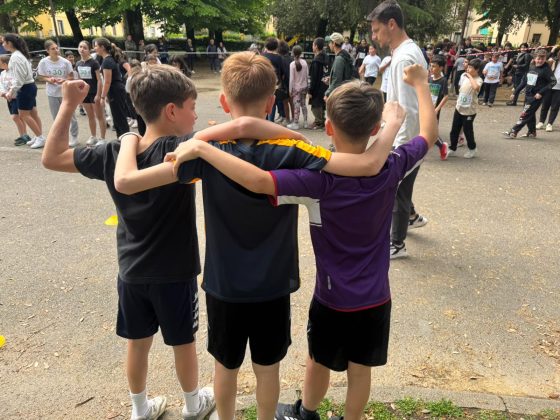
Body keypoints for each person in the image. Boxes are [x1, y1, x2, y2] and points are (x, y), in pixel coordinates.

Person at [114, 52, 404, 420]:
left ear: (224, 102)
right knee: (268, 370)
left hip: (224, 284)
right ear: (271, 102)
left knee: (225, 367)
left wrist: (134, 139)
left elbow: (129, 182)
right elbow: (363, 164)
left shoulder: (205, 152)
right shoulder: (293, 151)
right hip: (273, 283)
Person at [42, 64, 313, 420]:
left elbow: (59, 160)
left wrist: (75, 109)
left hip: (162, 276)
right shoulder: (195, 149)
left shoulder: (139, 152)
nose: (196, 115)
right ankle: (196, 404)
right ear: (172, 110)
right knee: (220, 354)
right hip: (214, 276)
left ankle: (145, 408)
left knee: (166, 351)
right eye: (192, 107)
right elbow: (247, 132)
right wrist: (286, 135)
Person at [369, 0, 428, 259]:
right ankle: (411, 217)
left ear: (391, 24)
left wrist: (399, 151)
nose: (374, 36)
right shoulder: (405, 52)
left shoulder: (404, 56)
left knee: (395, 191)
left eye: (376, 30)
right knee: (403, 189)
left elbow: (408, 109)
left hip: (405, 140)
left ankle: (397, 243)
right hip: (409, 138)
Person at [2, 33, 44, 147]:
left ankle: (40, 137)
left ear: (9, 43)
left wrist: (11, 91)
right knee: (33, 113)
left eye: (4, 42)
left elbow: (19, 79)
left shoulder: (15, 57)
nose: (3, 44)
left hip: (25, 88)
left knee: (23, 115)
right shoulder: (19, 54)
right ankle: (38, 136)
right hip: (29, 86)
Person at [503, 49, 556, 139]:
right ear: (534, 58)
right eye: (538, 58)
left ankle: (514, 131)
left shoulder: (546, 69)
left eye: (542, 59)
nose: (540, 61)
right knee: (530, 113)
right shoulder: (531, 66)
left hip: (536, 97)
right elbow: (524, 81)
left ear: (545, 59)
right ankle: (532, 132)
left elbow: (553, 82)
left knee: (525, 113)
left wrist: (540, 92)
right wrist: (515, 93)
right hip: (528, 95)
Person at [38, 40, 79, 148]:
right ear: (47, 51)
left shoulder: (65, 62)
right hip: (52, 93)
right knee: (56, 117)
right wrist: (49, 79)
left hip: (65, 92)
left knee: (71, 115)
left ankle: (74, 136)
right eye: (53, 49)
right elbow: (41, 77)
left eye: (57, 48)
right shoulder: (43, 62)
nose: (56, 50)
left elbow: (71, 77)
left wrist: (64, 80)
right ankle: (60, 137)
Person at [94, 37, 130, 139]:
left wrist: (102, 97)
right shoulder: (107, 59)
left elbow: (107, 81)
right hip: (115, 90)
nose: (94, 48)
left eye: (96, 46)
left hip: (115, 90)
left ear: (102, 47)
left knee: (119, 116)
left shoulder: (107, 61)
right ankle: (121, 138)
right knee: (117, 116)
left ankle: (124, 138)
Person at [448, 58, 483, 158]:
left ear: (477, 70)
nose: (468, 69)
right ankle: (452, 148)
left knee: (468, 131)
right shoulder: (464, 76)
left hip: (469, 111)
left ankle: (472, 149)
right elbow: (461, 89)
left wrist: (470, 76)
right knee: (454, 130)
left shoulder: (478, 80)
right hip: (459, 108)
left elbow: (476, 87)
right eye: (468, 67)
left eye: (471, 67)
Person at [76, 40, 106, 146]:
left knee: (99, 116)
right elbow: (79, 80)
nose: (82, 49)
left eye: (85, 48)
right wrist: (79, 94)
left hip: (94, 93)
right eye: (80, 47)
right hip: (85, 94)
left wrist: (98, 94)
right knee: (90, 116)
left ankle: (102, 138)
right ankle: (93, 136)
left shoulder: (94, 63)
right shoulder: (78, 63)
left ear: (89, 50)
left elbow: (99, 80)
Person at [0, 54, 30, 146]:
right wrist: (3, 93)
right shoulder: (2, 73)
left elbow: (16, 83)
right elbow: (1, 84)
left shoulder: (14, 72)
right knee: (18, 118)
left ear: (5, 63)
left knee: (15, 117)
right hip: (9, 99)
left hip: (17, 97)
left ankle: (24, 136)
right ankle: (24, 135)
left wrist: (10, 92)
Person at [428, 54, 449, 160]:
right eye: (430, 66)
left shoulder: (443, 80)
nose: (431, 68)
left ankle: (442, 146)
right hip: (425, 108)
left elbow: (446, 96)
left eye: (434, 66)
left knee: (431, 132)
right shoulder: (429, 79)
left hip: (434, 110)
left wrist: (437, 109)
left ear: (441, 68)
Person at [262, 37, 286, 123]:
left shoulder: (262, 56)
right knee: (272, 103)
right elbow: (282, 72)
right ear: (276, 47)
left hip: (263, 83)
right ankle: (270, 122)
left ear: (266, 46)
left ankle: (264, 121)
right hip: (275, 84)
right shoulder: (279, 58)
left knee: (264, 102)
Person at [536, 47, 560, 132]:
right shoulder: (553, 61)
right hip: (549, 87)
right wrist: (552, 51)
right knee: (545, 105)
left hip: (559, 89)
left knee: (555, 107)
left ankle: (549, 124)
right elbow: (544, 60)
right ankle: (541, 122)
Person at [324, 32, 354, 99]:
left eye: (329, 42)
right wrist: (330, 78)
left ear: (334, 43)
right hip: (345, 91)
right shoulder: (345, 55)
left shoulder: (339, 59)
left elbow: (337, 80)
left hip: (340, 95)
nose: (329, 44)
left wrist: (327, 94)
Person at [308, 37, 329, 130]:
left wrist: (310, 90)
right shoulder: (326, 57)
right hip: (325, 84)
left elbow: (313, 77)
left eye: (313, 44)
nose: (312, 46)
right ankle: (321, 120)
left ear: (316, 46)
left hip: (317, 87)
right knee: (322, 104)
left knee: (315, 106)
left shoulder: (316, 61)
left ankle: (319, 122)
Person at [287, 45, 308, 130]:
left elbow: (291, 79)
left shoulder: (292, 64)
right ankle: (305, 122)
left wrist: (290, 90)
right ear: (301, 53)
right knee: (303, 105)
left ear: (293, 53)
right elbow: (307, 75)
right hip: (304, 86)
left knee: (296, 106)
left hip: (296, 88)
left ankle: (296, 123)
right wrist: (307, 86)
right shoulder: (305, 62)